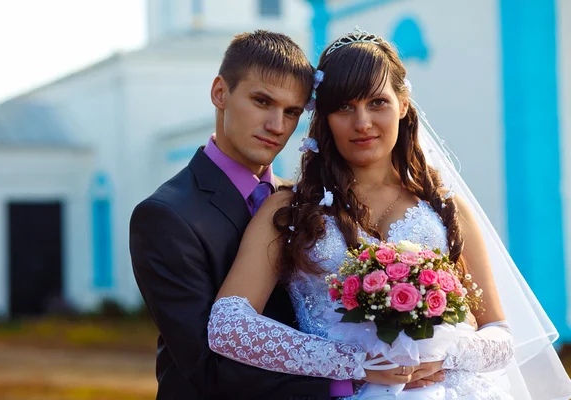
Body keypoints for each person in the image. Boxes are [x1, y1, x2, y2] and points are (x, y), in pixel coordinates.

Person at [208, 28, 571, 399]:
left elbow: (500, 335)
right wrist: (353, 363)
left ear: (403, 103)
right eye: (344, 107)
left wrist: (446, 354)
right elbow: (228, 324)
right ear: (325, 118)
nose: (362, 122)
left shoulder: (447, 211)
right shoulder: (289, 210)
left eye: (377, 103)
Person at [130, 30, 332, 399]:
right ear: (220, 92)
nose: (277, 125)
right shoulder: (164, 216)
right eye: (261, 101)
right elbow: (208, 366)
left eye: (291, 112)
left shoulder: (303, 203)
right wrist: (350, 377)